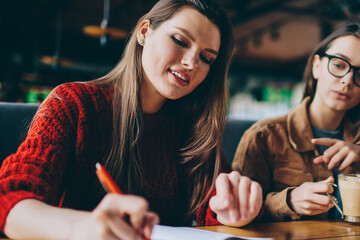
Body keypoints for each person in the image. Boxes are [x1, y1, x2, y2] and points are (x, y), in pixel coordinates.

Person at [0, 0, 263, 239]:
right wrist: (83, 228)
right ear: (144, 32)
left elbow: (216, 207)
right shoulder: (73, 104)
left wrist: (233, 210)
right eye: (180, 41)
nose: (192, 63)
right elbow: (10, 200)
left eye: (206, 58)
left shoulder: (193, 128)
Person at [232, 22, 360, 222]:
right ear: (317, 66)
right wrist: (288, 201)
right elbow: (235, 211)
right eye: (338, 65)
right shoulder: (264, 136)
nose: (348, 80)